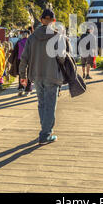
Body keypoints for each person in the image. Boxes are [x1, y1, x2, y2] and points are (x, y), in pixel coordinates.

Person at [19, 9, 65, 145]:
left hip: (36, 75)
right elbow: (62, 58)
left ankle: (45, 129)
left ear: (41, 19)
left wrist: (22, 75)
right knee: (50, 105)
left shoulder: (32, 37)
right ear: (54, 21)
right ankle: (45, 134)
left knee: (42, 104)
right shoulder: (58, 36)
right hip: (52, 75)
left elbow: (24, 58)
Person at [16, 30, 33, 96]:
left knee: (22, 74)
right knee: (29, 74)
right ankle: (28, 90)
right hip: (29, 60)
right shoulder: (31, 42)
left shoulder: (19, 42)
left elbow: (16, 52)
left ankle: (21, 88)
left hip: (21, 60)